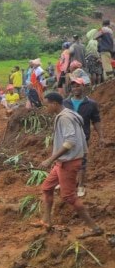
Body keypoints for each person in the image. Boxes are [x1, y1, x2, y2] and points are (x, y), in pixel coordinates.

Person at [36, 92, 103, 239]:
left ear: (54, 104)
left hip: (68, 162)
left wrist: (50, 159)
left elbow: (70, 141)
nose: (46, 108)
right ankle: (46, 221)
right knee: (47, 188)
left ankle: (94, 228)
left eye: (47, 104)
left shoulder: (65, 118)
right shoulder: (67, 114)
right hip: (63, 161)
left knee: (69, 197)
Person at [62, 77, 104, 197]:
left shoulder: (91, 104)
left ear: (83, 87)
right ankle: (68, 183)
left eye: (78, 85)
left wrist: (101, 136)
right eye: (74, 86)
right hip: (67, 137)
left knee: (81, 162)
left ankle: (80, 186)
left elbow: (96, 121)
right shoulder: (65, 103)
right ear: (71, 88)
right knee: (66, 160)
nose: (76, 88)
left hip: (83, 138)